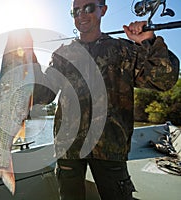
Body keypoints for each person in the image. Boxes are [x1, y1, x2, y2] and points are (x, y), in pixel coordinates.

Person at [32, 0, 180, 199]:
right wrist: (28, 62)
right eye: (75, 11)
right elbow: (44, 95)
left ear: (103, 10)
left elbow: (164, 80)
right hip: (68, 149)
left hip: (111, 148)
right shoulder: (62, 55)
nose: (81, 15)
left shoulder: (123, 50)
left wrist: (148, 42)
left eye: (88, 8)